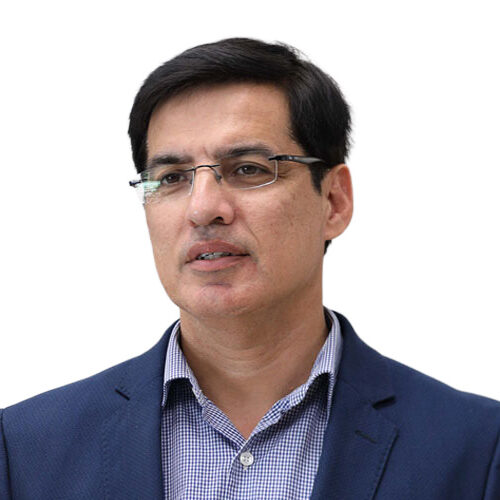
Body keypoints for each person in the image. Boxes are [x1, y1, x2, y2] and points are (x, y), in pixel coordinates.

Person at [1, 37, 499, 500]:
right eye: (171, 178)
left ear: (334, 200)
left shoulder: (476, 449)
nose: (203, 209)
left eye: (247, 170)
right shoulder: (25, 450)